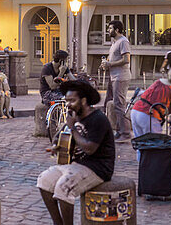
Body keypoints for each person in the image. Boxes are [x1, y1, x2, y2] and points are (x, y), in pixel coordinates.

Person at [38, 80, 115, 225]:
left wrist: (72, 128)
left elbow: (89, 148)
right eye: (66, 100)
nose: (68, 104)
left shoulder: (98, 119)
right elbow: (59, 138)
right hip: (76, 164)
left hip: (98, 168)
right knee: (44, 180)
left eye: (72, 101)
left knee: (63, 188)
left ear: (84, 101)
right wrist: (57, 145)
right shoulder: (74, 117)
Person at [131, 64, 171, 161]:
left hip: (136, 110)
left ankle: (142, 168)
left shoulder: (157, 82)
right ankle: (152, 169)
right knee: (155, 145)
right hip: (149, 115)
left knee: (141, 144)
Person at [100, 19, 132, 141]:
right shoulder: (114, 42)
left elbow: (126, 59)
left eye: (110, 28)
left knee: (119, 105)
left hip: (121, 77)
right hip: (113, 77)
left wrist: (110, 64)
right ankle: (119, 131)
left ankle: (125, 133)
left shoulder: (123, 41)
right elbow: (111, 59)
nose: (108, 30)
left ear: (117, 30)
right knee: (111, 103)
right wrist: (105, 64)